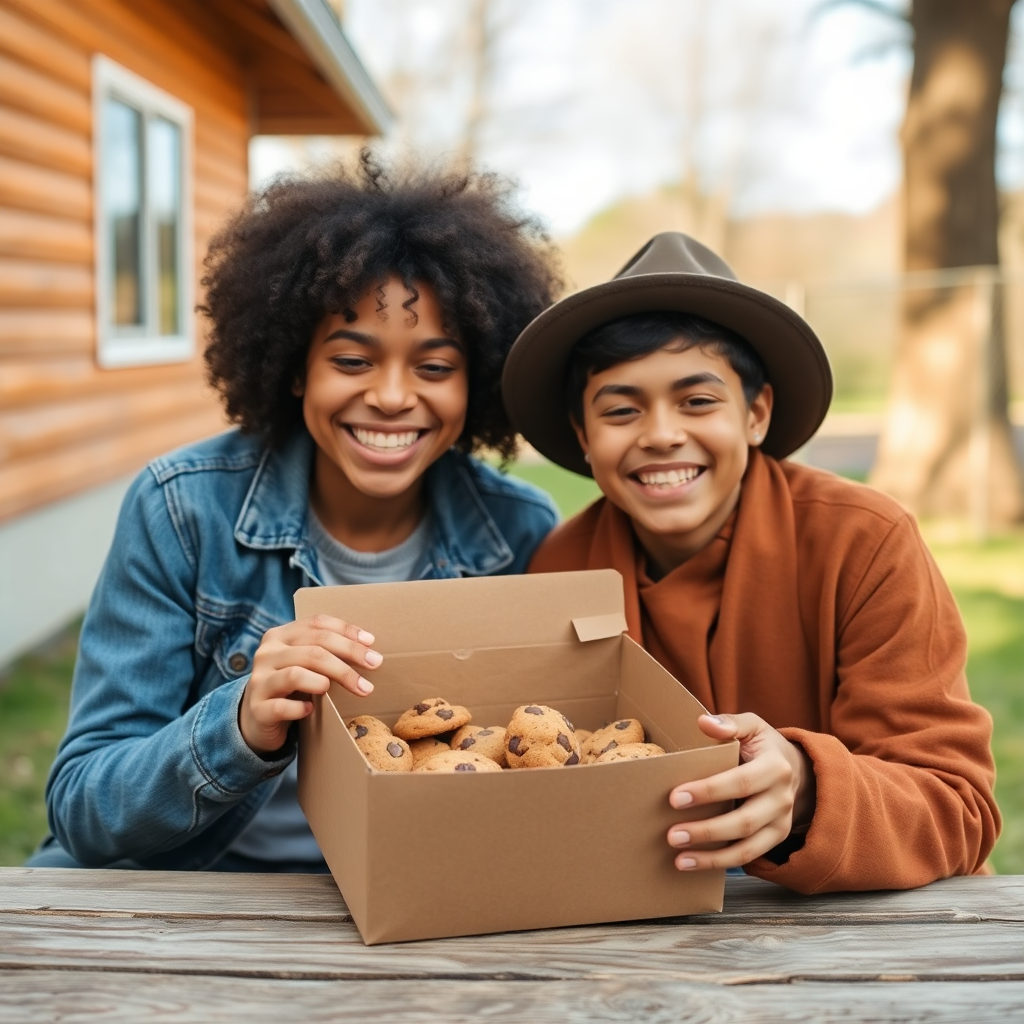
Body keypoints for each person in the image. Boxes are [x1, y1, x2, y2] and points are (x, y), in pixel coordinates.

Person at [30, 154, 561, 871]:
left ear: (479, 382)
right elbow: (83, 809)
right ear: (291, 365)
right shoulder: (182, 511)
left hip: (416, 894)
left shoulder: (519, 533)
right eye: (352, 361)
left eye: (435, 367)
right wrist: (241, 721)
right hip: (196, 889)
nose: (393, 396)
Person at [502, 231, 999, 893]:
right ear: (583, 438)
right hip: (643, 916)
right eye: (621, 411)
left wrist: (806, 787)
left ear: (756, 413)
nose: (660, 434)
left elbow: (957, 806)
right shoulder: (561, 565)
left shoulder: (865, 541)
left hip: (855, 931)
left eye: (698, 402)